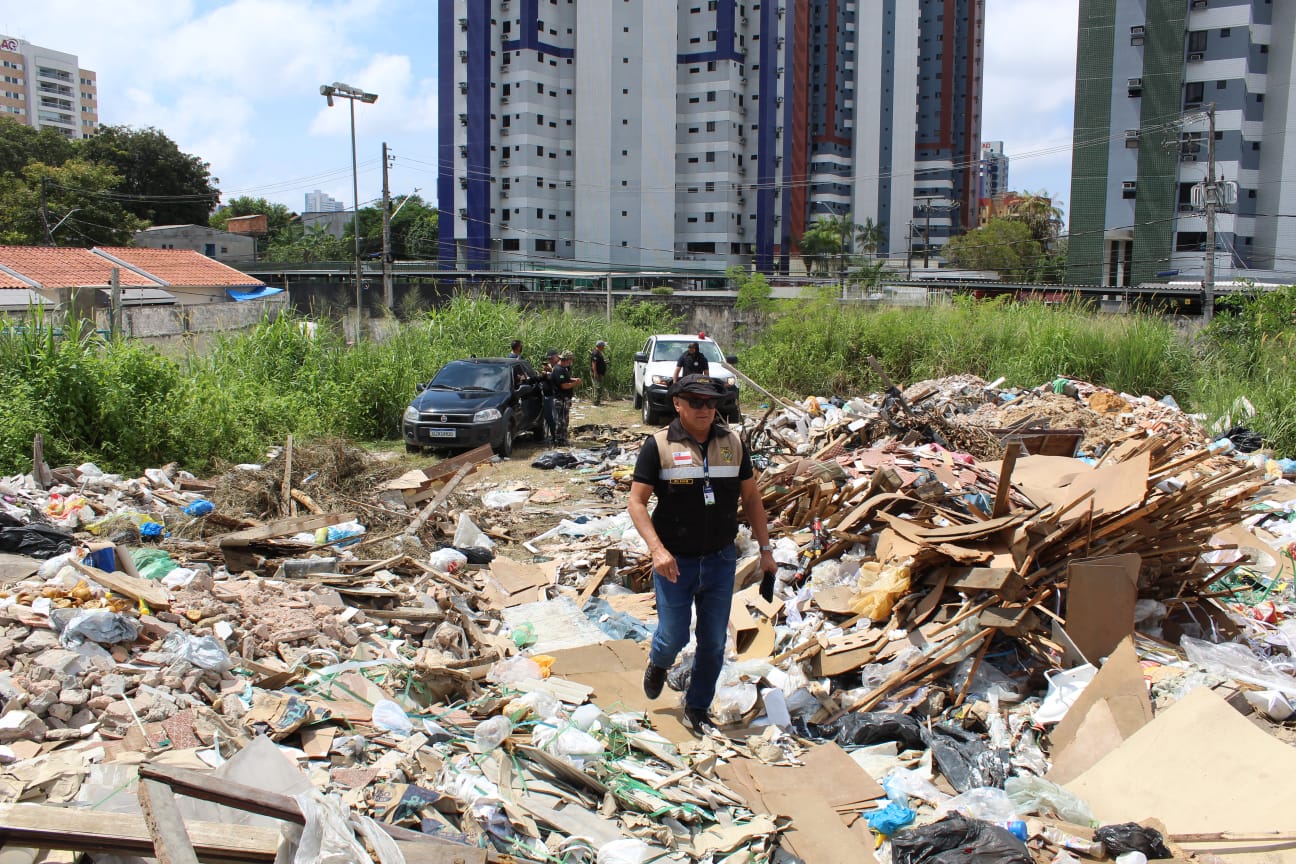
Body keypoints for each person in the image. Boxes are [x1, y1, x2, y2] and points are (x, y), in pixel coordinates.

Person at [628, 374, 776, 736]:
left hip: (720, 560)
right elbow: (636, 502)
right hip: (675, 563)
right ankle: (659, 661)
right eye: (696, 402)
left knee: (712, 642)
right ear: (677, 404)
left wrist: (766, 549)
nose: (706, 410)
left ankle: (696, 707)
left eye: (711, 403)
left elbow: (752, 498)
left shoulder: (733, 443)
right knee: (673, 636)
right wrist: (657, 551)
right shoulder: (659, 446)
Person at [548, 351, 582, 446]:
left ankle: (563, 439)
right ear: (567, 359)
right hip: (560, 399)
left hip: (565, 398)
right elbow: (564, 385)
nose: (571, 362)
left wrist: (574, 379)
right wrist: (575, 384)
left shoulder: (564, 368)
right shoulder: (558, 369)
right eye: (570, 360)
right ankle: (559, 440)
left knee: (565, 420)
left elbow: (566, 380)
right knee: (561, 421)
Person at [539, 349, 559, 444]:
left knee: (554, 418)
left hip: (553, 396)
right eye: (549, 359)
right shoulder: (551, 367)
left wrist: (549, 372)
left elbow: (556, 379)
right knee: (548, 417)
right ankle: (553, 436)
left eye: (551, 358)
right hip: (547, 395)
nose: (550, 361)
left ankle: (557, 437)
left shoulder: (559, 367)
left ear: (556, 356)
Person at [589, 340, 608, 406]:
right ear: (600, 346)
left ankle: (598, 402)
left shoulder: (599, 352)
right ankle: (595, 403)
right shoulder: (595, 353)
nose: (604, 347)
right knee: (597, 387)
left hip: (600, 373)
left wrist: (604, 362)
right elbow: (593, 363)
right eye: (603, 346)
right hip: (597, 373)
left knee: (599, 387)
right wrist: (595, 373)